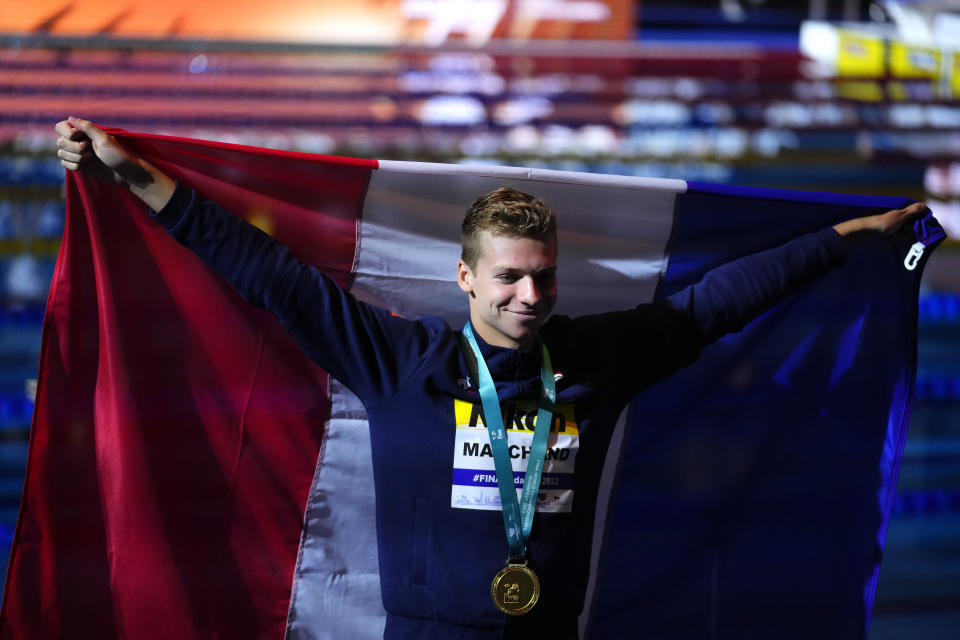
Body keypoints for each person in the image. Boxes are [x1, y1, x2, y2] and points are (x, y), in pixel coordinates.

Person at [54, 117, 924, 639]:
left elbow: (716, 305)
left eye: (542, 275)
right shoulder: (399, 363)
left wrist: (843, 241)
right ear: (466, 278)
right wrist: (130, 173)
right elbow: (264, 271)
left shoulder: (592, 361)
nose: (530, 294)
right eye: (508, 276)